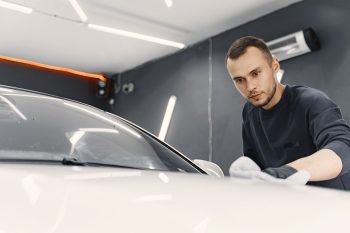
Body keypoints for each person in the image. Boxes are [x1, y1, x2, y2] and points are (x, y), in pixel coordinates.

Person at [225, 36, 350, 190]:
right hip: (290, 206)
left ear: (275, 66)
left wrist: (288, 172)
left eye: (256, 73)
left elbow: (344, 148)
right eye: (239, 80)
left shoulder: (311, 101)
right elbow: (255, 164)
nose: (250, 86)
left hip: (335, 205)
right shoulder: (250, 113)